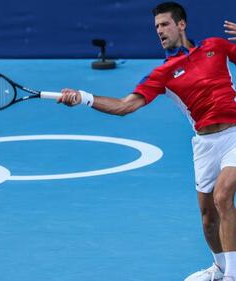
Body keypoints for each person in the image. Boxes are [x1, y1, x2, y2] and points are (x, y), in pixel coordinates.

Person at [58, 2, 236, 281]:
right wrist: (84, 97)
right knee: (208, 219)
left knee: (223, 195)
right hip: (205, 145)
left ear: (181, 24)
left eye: (164, 25)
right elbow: (125, 105)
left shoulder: (217, 46)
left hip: (234, 135)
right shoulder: (163, 73)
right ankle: (220, 267)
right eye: (156, 27)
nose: (159, 32)